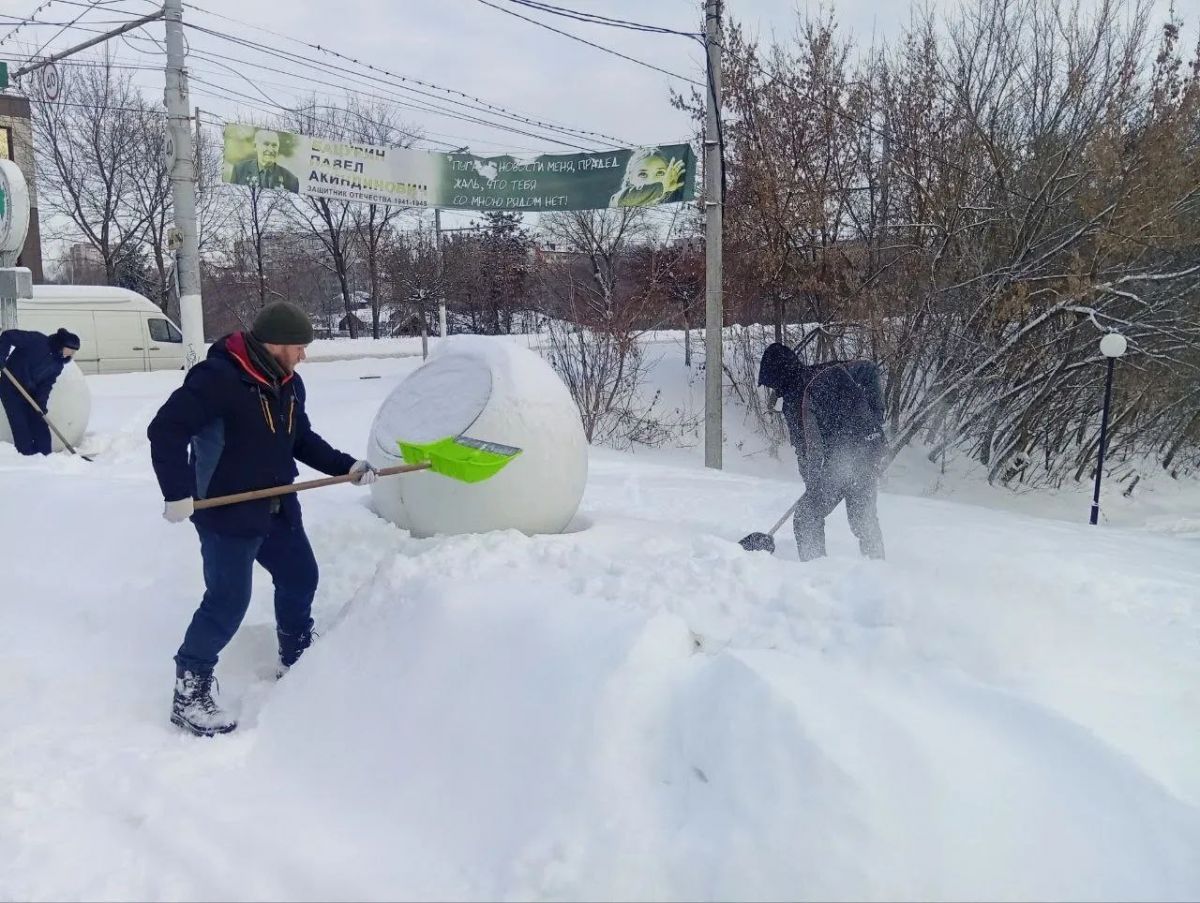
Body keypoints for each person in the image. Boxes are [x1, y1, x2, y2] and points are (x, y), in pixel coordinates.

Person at [147, 301, 377, 737]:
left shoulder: (288, 383)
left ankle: (296, 655)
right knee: (227, 601)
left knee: (300, 577)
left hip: (277, 502)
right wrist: (176, 492)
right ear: (275, 344)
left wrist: (345, 467)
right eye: (299, 347)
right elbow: (166, 429)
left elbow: (300, 438)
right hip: (225, 509)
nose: (304, 355)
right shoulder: (217, 379)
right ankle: (189, 692)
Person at [757, 342, 887, 562]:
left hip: (842, 464)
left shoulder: (796, 396)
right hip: (869, 453)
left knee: (807, 515)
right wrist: (875, 416)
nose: (774, 389)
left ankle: (816, 575)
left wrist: (813, 482)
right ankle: (878, 571)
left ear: (779, 375)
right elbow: (870, 369)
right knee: (864, 520)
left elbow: (809, 448)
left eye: (772, 383)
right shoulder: (827, 370)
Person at [0, 327, 81, 455]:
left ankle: (46, 457)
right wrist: (1, 355)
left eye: (73, 352)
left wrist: (40, 404)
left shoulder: (57, 364)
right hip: (10, 387)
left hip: (30, 392)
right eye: (70, 350)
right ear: (61, 344)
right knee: (20, 424)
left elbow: (46, 385)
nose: (71, 354)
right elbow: (8, 335)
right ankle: (27, 457)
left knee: (40, 424)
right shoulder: (37, 340)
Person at [610, 146, 688, 207]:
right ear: (630, 178)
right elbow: (623, 199)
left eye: (660, 173)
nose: (651, 181)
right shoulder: (618, 200)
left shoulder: (676, 203)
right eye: (643, 174)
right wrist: (662, 187)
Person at [229, 128, 300, 193]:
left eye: (274, 145)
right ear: (255, 146)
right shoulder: (239, 170)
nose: (270, 150)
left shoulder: (291, 180)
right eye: (266, 144)